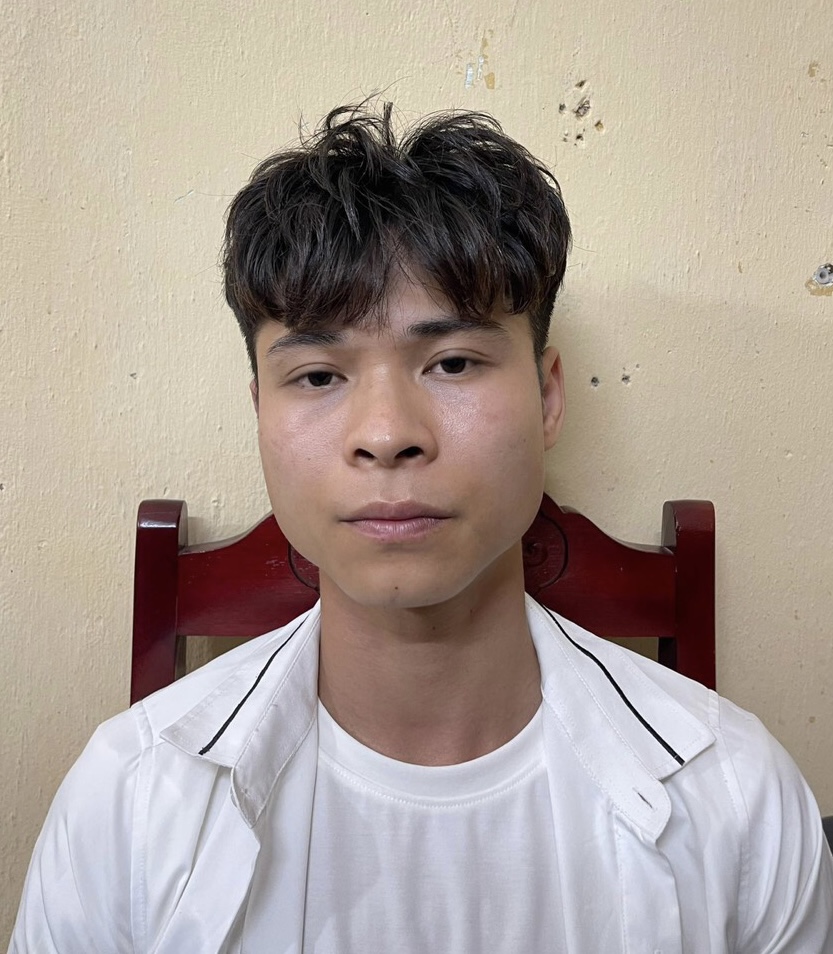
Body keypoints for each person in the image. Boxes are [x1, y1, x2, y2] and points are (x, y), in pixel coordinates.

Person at [9, 102, 833, 953]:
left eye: (452, 362)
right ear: (259, 410)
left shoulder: (736, 800)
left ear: (547, 397)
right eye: (318, 375)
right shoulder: (130, 796)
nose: (385, 434)